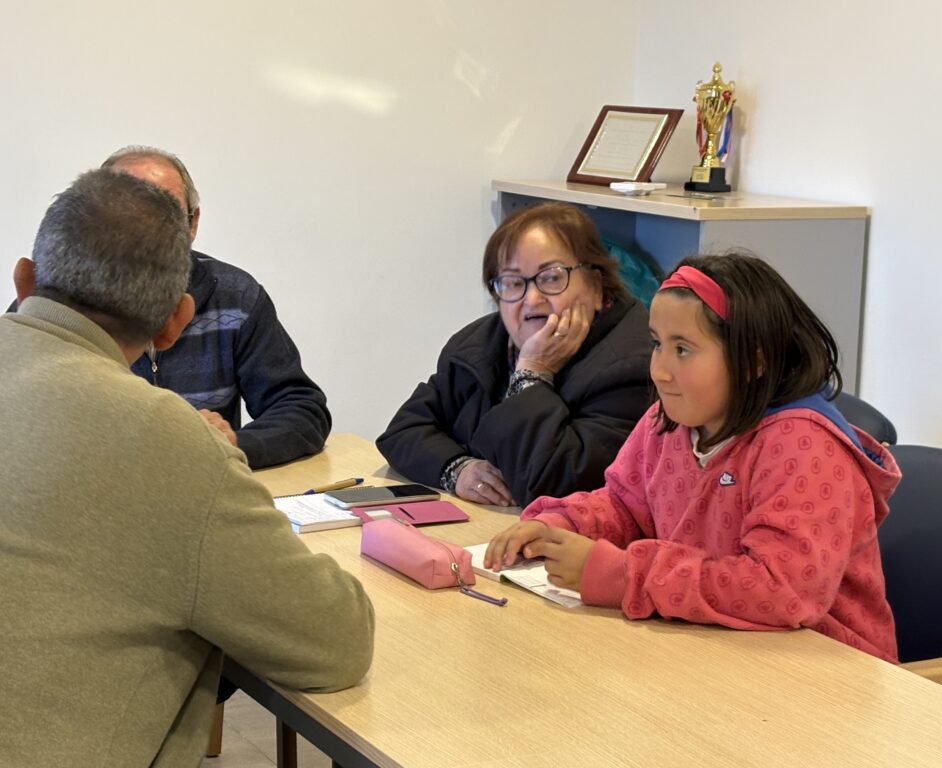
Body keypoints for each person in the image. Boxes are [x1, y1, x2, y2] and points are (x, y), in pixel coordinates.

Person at [0, 170, 374, 767]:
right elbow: (335, 643)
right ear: (175, 320)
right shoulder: (166, 440)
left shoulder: (239, 301)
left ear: (24, 280)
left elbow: (299, 404)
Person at [485, 252, 901, 662]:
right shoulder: (666, 422)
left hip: (824, 676)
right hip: (714, 652)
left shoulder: (803, 445)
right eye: (656, 344)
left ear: (753, 360)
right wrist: (558, 526)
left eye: (682, 349)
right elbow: (625, 507)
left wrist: (623, 576)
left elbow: (781, 591)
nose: (660, 371)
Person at [376, 202, 652, 507]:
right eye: (512, 282)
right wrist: (457, 470)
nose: (532, 299)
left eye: (551, 277)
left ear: (597, 288)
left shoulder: (632, 366)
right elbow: (403, 431)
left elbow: (550, 485)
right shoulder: (479, 344)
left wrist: (533, 373)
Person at [103, 145, 330, 469]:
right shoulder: (56, 305)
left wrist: (233, 444)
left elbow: (302, 410)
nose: (145, 231)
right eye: (125, 212)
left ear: (192, 223)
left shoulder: (236, 297)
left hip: (205, 489)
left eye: (164, 213)